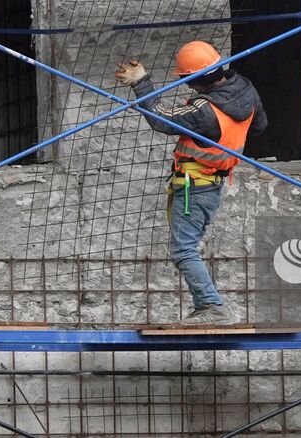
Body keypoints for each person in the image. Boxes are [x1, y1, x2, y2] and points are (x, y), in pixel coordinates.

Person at [115, 40, 268, 324]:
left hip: (195, 186)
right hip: (211, 184)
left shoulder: (206, 110)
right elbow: (259, 127)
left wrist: (141, 82)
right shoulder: (245, 89)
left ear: (197, 79)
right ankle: (205, 306)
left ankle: (213, 307)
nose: (187, 87)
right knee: (186, 247)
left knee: (184, 250)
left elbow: (161, 119)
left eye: (187, 81)